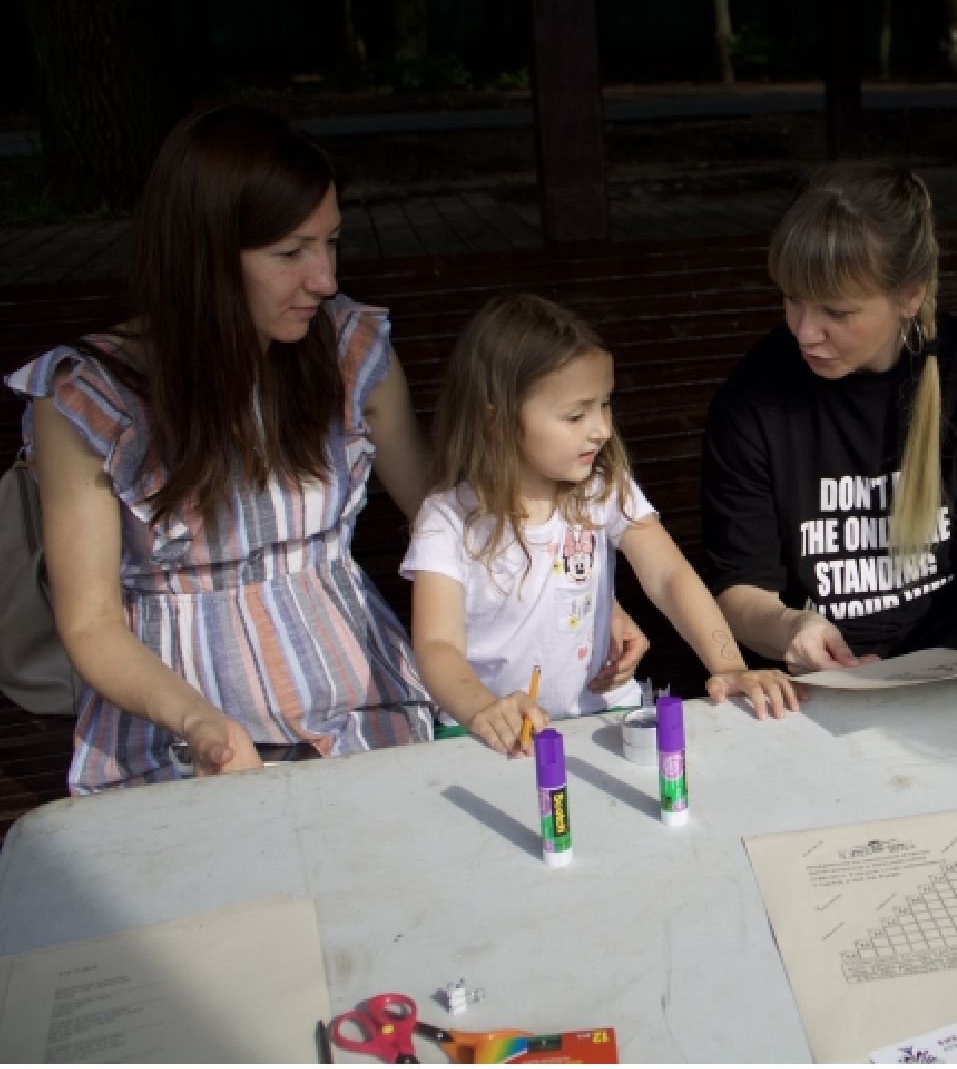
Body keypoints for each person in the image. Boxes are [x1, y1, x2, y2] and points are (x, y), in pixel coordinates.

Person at [7, 104, 440, 791]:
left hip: (362, 706)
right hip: (177, 729)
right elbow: (88, 622)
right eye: (291, 253)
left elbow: (444, 525)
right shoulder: (88, 399)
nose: (324, 279)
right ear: (204, 256)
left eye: (330, 243)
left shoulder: (349, 352)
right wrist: (199, 722)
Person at [700, 163, 957, 686]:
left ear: (910, 295)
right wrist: (790, 627)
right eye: (791, 300)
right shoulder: (753, 401)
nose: (806, 332)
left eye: (836, 312)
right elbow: (742, 591)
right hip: (821, 686)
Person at [401, 294, 801, 745]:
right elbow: (437, 645)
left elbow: (668, 576)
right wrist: (483, 709)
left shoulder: (603, 487)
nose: (602, 429)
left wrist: (728, 667)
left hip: (603, 716)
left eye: (605, 404)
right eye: (575, 414)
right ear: (496, 422)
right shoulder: (447, 521)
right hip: (491, 732)